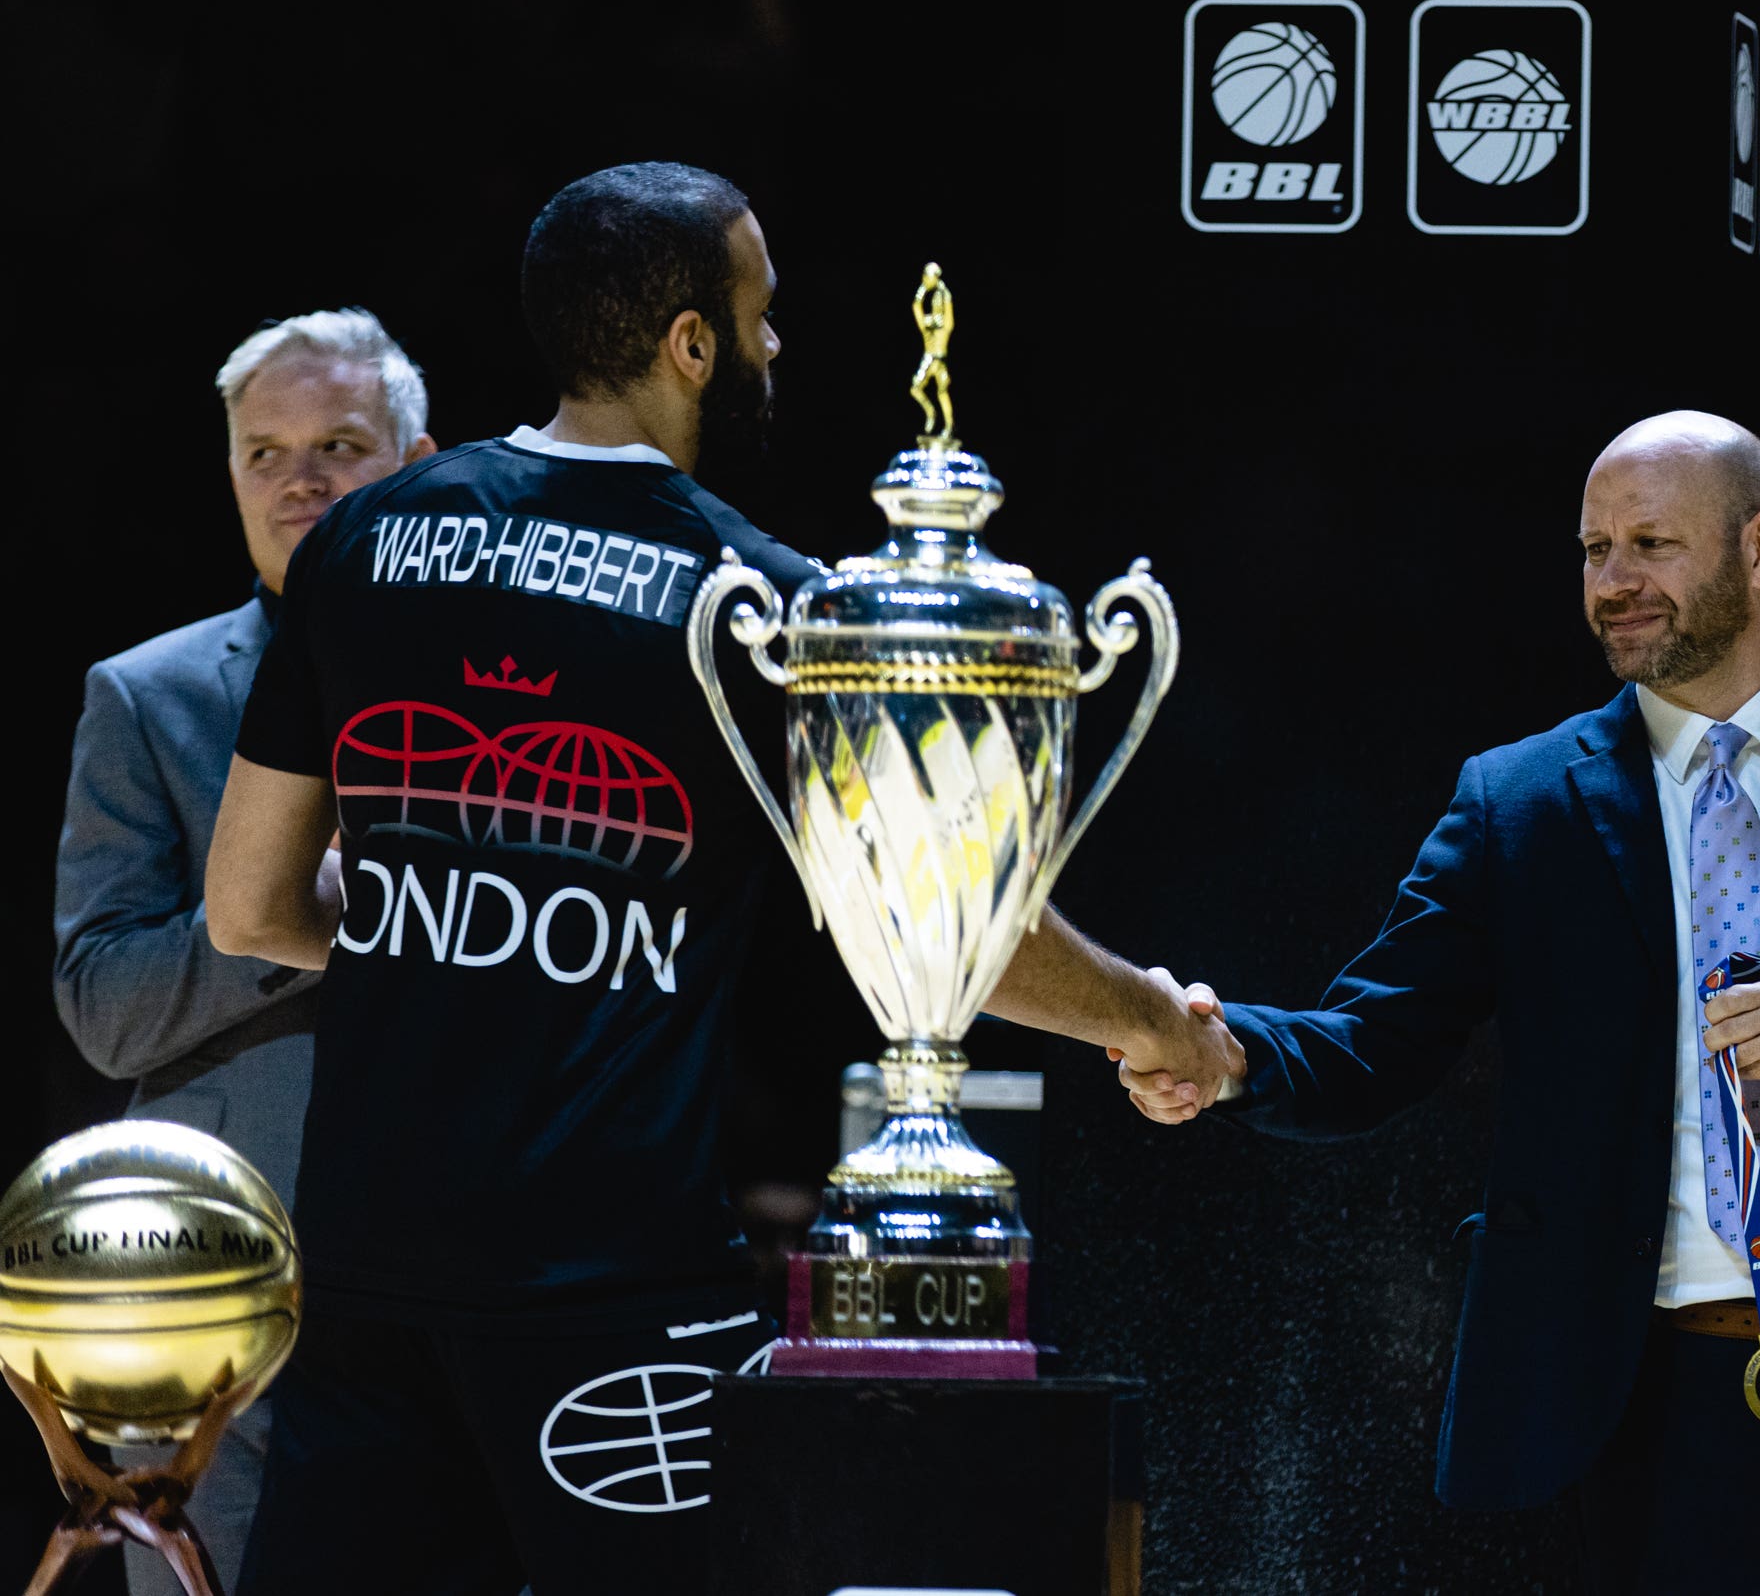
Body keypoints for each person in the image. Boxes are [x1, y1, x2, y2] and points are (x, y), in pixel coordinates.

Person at [202, 161, 1238, 1596]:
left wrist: (429, 945)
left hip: (370, 1284)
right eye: (758, 315)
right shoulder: (755, 606)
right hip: (612, 1307)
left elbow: (248, 906)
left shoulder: (369, 541)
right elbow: (953, 932)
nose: (770, 348)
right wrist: (1151, 1024)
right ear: (690, 343)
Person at [996, 411, 1760, 1594]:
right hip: (1655, 1410)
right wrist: (1225, 1056)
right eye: (1591, 550)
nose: (1613, 582)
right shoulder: (1519, 803)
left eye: (1649, 544)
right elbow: (1371, 1041)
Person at [50, 307, 434, 1594]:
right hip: (216, 1279)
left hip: (456, 1255)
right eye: (264, 452)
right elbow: (102, 1005)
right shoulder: (147, 695)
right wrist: (291, 906)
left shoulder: (499, 686)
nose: (300, 479)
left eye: (339, 443)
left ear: (420, 461)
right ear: (228, 475)